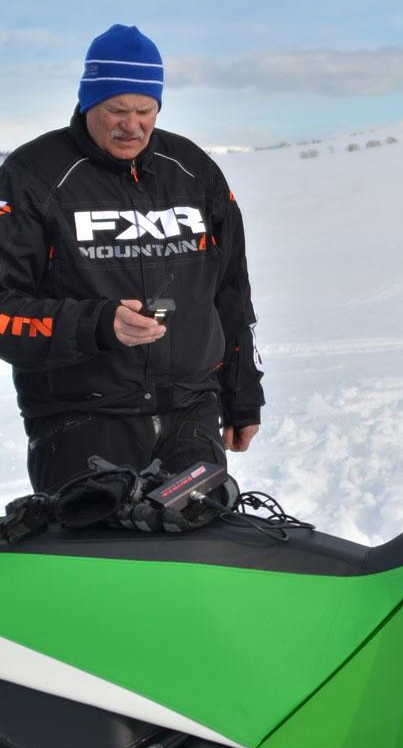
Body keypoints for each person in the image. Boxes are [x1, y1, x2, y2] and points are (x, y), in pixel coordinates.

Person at [0, 24, 263, 493]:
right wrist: (96, 325)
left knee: (199, 557)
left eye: (146, 110)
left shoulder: (193, 170)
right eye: (116, 110)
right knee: (100, 562)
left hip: (190, 413)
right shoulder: (32, 176)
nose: (133, 124)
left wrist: (241, 395)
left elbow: (230, 292)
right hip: (82, 419)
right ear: (87, 102)